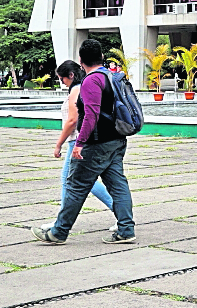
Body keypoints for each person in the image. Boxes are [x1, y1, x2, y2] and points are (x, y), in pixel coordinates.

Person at [32, 39, 136, 244]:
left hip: (96, 144)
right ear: (102, 57)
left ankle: (58, 232)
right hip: (117, 140)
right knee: (118, 185)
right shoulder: (112, 76)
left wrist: (79, 142)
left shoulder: (91, 81)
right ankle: (126, 230)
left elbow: (90, 115)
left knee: (75, 185)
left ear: (81, 60)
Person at [39, 60, 118, 233]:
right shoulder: (84, 86)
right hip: (83, 140)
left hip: (77, 140)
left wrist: (58, 144)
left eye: (62, 79)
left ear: (71, 75)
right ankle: (121, 213)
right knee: (80, 181)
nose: (62, 83)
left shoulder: (76, 90)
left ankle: (62, 222)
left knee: (76, 180)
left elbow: (72, 120)